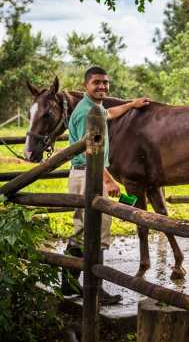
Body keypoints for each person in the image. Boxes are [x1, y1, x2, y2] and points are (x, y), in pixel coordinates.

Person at [61, 66, 150, 305]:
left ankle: (68, 284)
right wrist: (109, 180)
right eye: (97, 83)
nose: (102, 87)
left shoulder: (95, 108)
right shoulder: (86, 113)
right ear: (85, 86)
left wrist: (131, 105)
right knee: (95, 232)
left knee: (83, 229)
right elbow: (91, 151)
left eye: (105, 83)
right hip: (88, 174)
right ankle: (95, 288)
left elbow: (108, 114)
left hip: (89, 174)